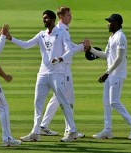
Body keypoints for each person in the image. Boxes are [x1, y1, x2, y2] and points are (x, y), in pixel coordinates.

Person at [5, 10, 89, 142]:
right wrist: (10, 38)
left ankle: (72, 131)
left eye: (46, 18)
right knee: (37, 103)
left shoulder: (62, 33)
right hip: (43, 73)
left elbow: (69, 51)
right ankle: (35, 132)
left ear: (52, 19)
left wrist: (60, 58)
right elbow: (26, 45)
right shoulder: (41, 35)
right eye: (43, 18)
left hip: (57, 73)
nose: (44, 20)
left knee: (63, 102)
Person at [86, 14, 131, 140]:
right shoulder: (112, 37)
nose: (108, 24)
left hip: (117, 74)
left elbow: (119, 58)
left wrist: (107, 72)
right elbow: (106, 55)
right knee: (106, 103)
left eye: (110, 22)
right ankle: (107, 130)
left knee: (114, 101)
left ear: (116, 23)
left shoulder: (121, 37)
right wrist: (90, 49)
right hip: (111, 74)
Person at [40, 6, 85, 138]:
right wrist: (82, 47)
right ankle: (69, 129)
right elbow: (68, 50)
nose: (70, 17)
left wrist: (82, 47)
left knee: (57, 98)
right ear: (61, 16)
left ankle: (44, 125)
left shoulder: (62, 29)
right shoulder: (60, 30)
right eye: (68, 15)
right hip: (62, 69)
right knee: (68, 100)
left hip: (61, 68)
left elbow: (69, 45)